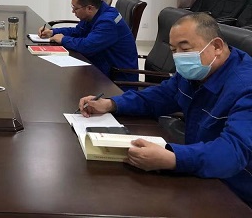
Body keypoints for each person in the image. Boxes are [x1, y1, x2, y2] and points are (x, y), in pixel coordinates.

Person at [78, 12, 252, 206]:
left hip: (236, 191)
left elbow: (233, 151)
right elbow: (159, 96)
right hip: (200, 173)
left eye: (185, 49)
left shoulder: (246, 86)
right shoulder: (197, 71)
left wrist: (173, 158)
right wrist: (112, 103)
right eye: (173, 50)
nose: (178, 57)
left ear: (217, 47)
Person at [38, 0, 138, 81]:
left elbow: (87, 46)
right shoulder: (94, 13)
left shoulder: (108, 22)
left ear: (89, 8)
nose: (73, 11)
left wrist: (63, 39)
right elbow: (78, 31)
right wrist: (52, 32)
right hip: (102, 68)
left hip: (118, 81)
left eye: (75, 8)